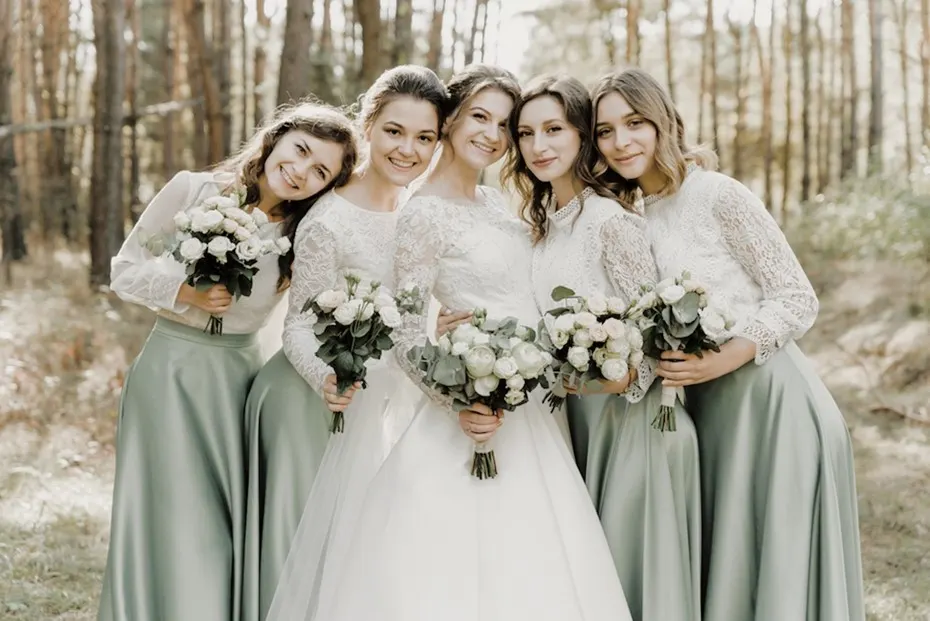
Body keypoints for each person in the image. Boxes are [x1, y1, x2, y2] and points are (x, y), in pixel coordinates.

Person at [265, 64, 634, 621]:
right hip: (475, 411)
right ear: (452, 121)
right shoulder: (423, 213)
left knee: (536, 563)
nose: (492, 133)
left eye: (505, 124)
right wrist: (464, 403)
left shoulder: (499, 206)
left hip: (532, 406)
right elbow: (410, 334)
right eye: (478, 117)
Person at [593, 67, 865, 621]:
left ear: (665, 122)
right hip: (706, 411)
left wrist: (727, 356)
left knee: (776, 568)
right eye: (604, 130)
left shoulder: (718, 194)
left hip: (768, 403)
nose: (621, 142)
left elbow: (795, 296)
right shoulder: (630, 218)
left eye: (635, 122)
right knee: (730, 568)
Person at [98, 103, 359, 621]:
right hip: (170, 371)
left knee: (217, 523)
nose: (301, 171)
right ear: (277, 138)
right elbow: (125, 270)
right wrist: (183, 293)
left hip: (238, 379)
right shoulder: (193, 190)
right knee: (168, 512)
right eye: (300, 150)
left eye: (320, 172)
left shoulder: (301, 235)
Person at [239, 64, 449, 621]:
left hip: (380, 400)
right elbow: (297, 325)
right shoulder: (329, 220)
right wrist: (326, 380)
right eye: (395, 131)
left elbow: (411, 313)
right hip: (310, 402)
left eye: (424, 138)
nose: (408, 149)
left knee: (360, 554)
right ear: (369, 125)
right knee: (302, 552)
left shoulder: (416, 212)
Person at [502, 73, 700, 621]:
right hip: (581, 424)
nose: (538, 147)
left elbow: (657, 336)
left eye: (553, 129)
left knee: (638, 585)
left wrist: (622, 379)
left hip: (636, 427)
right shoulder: (544, 227)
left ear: (583, 136)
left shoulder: (611, 222)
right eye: (524, 133)